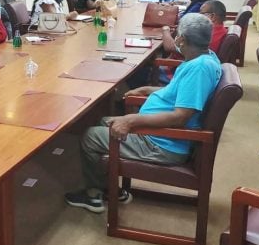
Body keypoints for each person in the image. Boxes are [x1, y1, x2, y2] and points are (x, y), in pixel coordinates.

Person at [65, 14, 221, 213]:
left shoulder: (199, 69)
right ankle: (110, 187)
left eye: (177, 34)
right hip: (159, 134)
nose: (175, 38)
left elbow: (180, 117)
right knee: (104, 120)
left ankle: (95, 193)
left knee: (90, 137)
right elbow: (178, 93)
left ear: (182, 39)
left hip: (163, 143)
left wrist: (131, 120)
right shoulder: (204, 58)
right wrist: (146, 89)